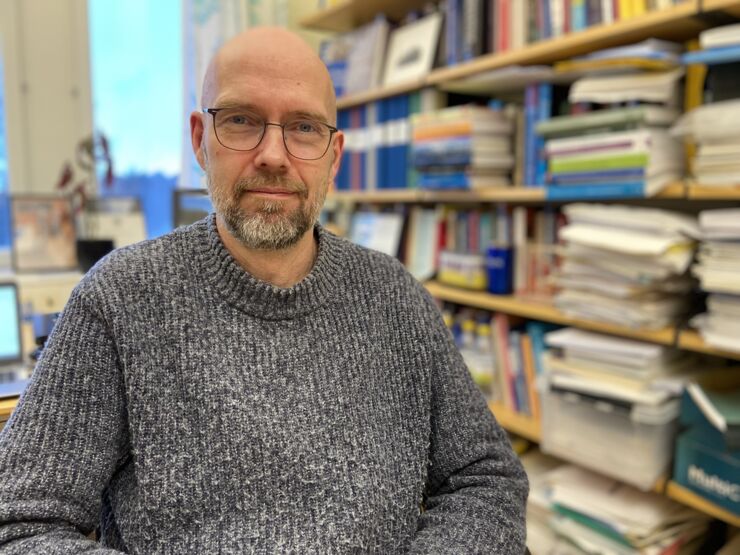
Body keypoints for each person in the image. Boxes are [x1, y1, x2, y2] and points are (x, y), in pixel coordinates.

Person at [0, 27, 528, 553]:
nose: (274, 154)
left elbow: (487, 482)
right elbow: (19, 525)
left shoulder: (396, 299)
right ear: (199, 141)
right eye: (241, 120)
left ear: (334, 155)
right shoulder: (119, 300)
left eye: (302, 127)